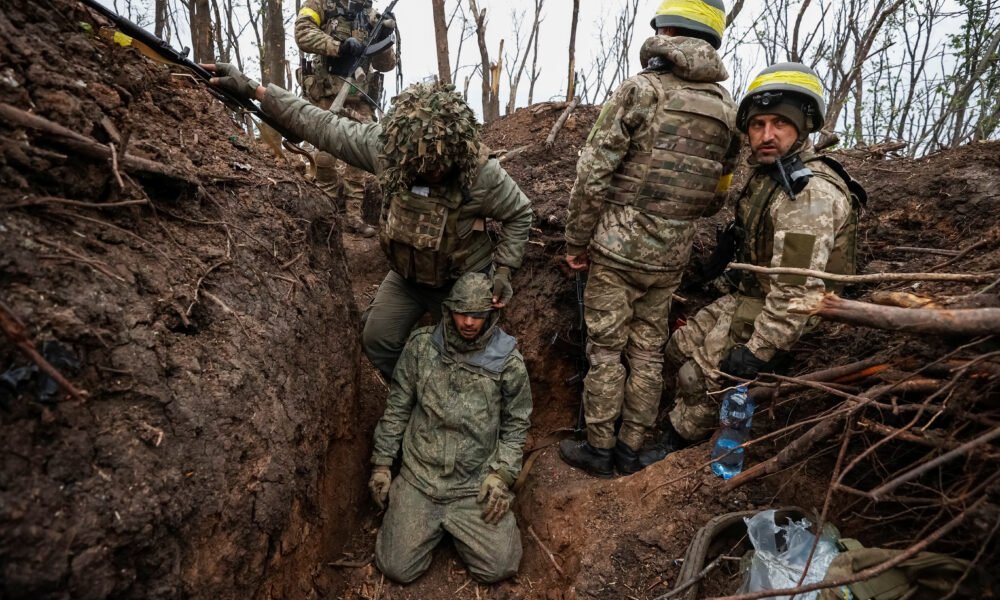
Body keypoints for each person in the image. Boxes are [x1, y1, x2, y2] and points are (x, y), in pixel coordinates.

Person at [205, 68, 534, 381]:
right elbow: (321, 125)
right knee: (377, 340)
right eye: (417, 168)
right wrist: (252, 89)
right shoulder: (389, 151)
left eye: (435, 170)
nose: (426, 174)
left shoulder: (481, 175)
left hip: (460, 280)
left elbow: (520, 213)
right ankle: (417, 393)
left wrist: (504, 270)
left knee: (473, 357)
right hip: (406, 277)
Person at [558, 0, 742, 478]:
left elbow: (593, 173)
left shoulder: (641, 90)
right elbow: (718, 194)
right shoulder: (727, 107)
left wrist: (577, 241)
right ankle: (631, 450)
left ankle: (599, 449)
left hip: (617, 251)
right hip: (670, 258)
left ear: (665, 27)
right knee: (645, 352)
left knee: (605, 352)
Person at [661, 62, 865, 448]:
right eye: (758, 125)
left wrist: (756, 353)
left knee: (697, 377)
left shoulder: (807, 196)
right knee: (677, 347)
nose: (767, 135)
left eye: (779, 124)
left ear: (802, 126)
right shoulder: (772, 175)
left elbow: (795, 297)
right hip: (753, 295)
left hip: (790, 312)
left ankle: (676, 442)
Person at [366, 272, 532, 584]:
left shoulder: (508, 362)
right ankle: (425, 522)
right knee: (396, 567)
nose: (469, 322)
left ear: (490, 316)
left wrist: (502, 475)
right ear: (448, 310)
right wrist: (382, 462)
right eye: (462, 313)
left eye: (477, 315)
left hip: (474, 482)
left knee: (500, 567)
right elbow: (398, 406)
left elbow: (516, 423)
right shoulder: (421, 347)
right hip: (420, 477)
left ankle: (453, 526)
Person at [295, 0, 397, 237]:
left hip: (359, 97)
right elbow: (302, 33)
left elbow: (388, 65)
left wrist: (383, 37)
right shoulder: (321, 4)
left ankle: (353, 216)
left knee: (359, 159)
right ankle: (326, 213)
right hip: (326, 95)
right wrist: (338, 47)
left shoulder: (372, 16)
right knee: (324, 156)